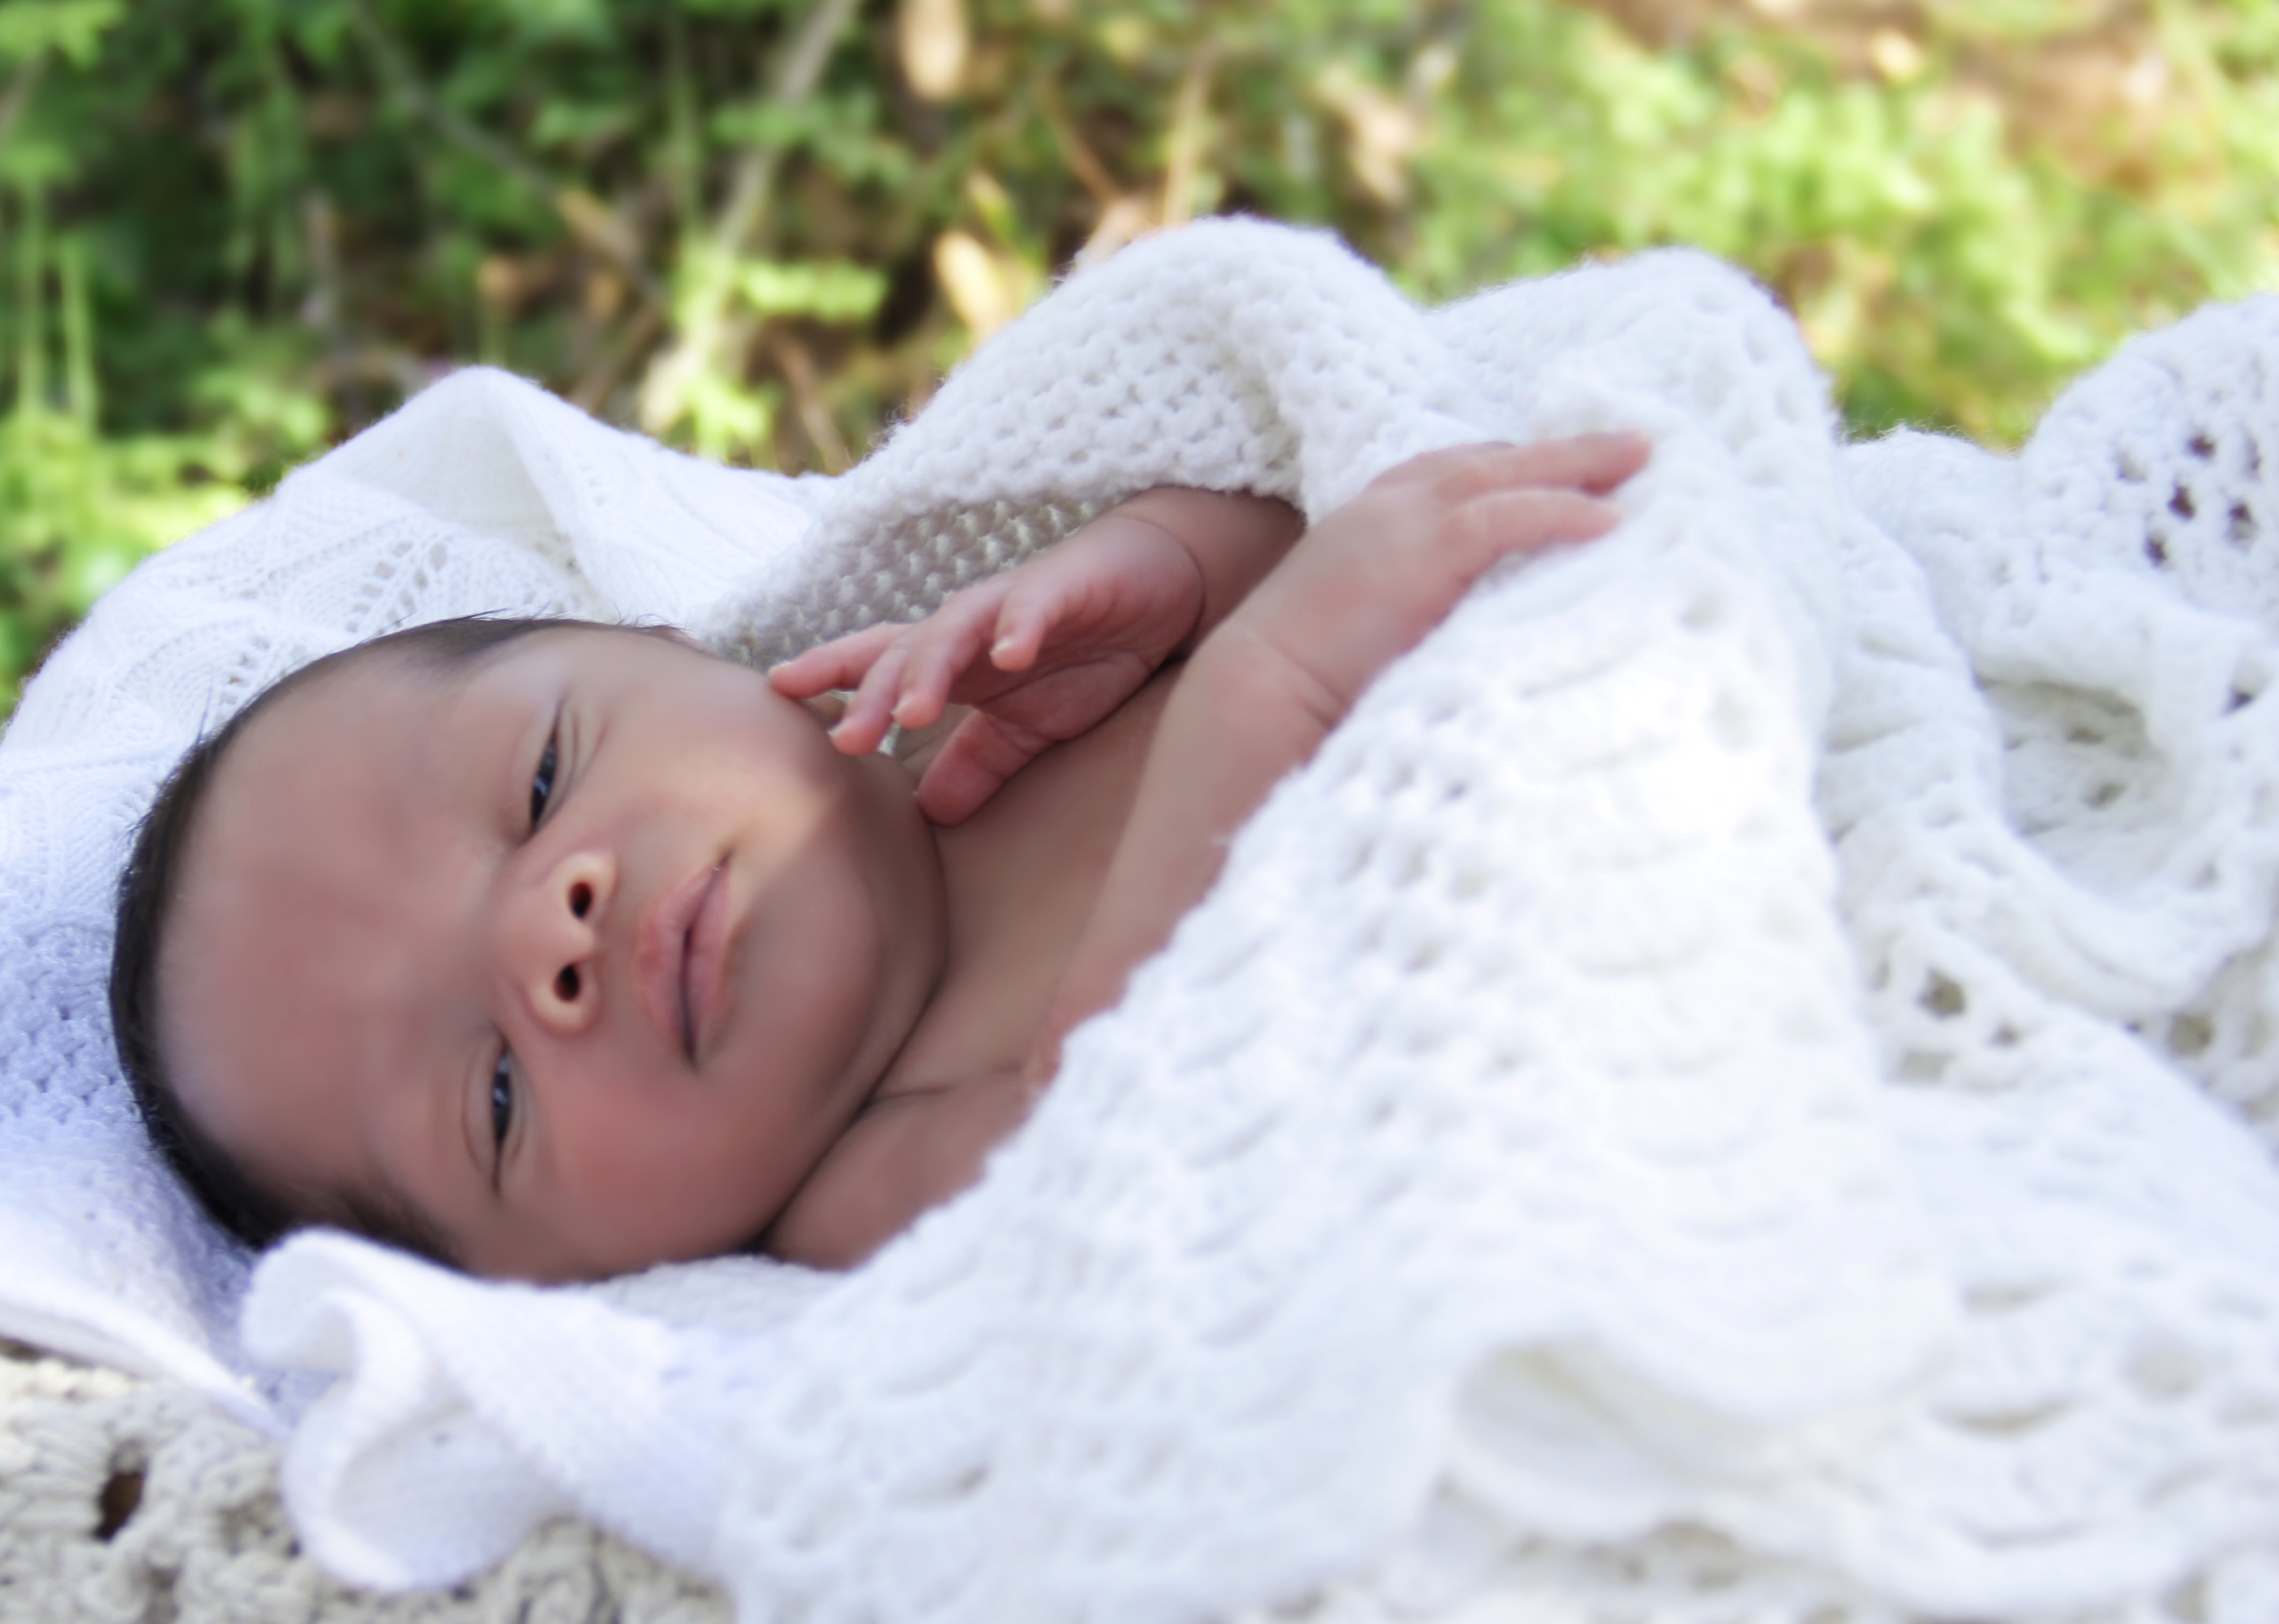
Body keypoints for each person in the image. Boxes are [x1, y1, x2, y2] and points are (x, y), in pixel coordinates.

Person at [107, 431, 1651, 1283]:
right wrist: (1269, 689)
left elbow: (1331, 485)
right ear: (550, 1283)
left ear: (674, 647)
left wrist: (1178, 563)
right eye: (495, 1097)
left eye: (543, 780)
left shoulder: (964, 687)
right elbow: (1121, 1139)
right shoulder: (864, 1184)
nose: (546, 935)